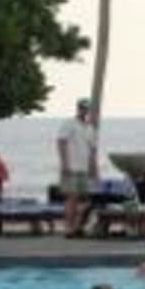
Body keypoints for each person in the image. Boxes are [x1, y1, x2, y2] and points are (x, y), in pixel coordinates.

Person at [58, 97, 99, 238]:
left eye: (86, 109)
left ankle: (77, 227)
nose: (84, 111)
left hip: (85, 168)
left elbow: (93, 150)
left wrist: (94, 168)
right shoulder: (69, 124)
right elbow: (61, 143)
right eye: (82, 108)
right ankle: (68, 228)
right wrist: (64, 164)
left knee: (85, 200)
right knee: (71, 198)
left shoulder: (90, 128)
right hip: (72, 167)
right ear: (78, 108)